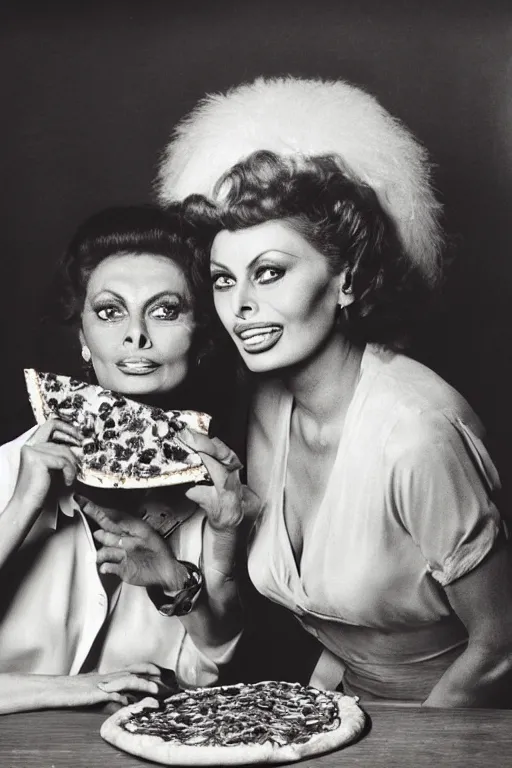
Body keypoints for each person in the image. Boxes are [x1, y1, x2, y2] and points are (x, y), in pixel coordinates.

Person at [156, 76, 512, 707]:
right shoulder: (265, 401)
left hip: (456, 725)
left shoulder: (417, 434)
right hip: (342, 708)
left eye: (270, 273)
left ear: (347, 279)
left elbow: (501, 646)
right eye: (221, 279)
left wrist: (410, 751)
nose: (241, 306)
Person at [0, 204, 244, 714]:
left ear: (199, 335)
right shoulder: (10, 471)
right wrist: (21, 505)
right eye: (110, 311)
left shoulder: (212, 488)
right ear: (83, 340)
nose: (136, 335)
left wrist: (180, 583)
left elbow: (208, 676)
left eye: (164, 310)